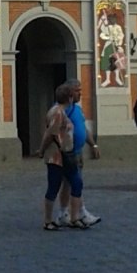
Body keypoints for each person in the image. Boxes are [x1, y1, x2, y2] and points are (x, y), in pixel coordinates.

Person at [39, 84, 92, 231]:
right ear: (69, 97)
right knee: (54, 187)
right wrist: (42, 150)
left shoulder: (61, 111)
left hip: (66, 155)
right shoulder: (57, 113)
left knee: (76, 183)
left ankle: (74, 217)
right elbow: (51, 134)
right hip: (57, 156)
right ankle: (48, 220)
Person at [53, 81, 100, 227]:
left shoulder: (77, 109)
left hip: (78, 152)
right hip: (68, 153)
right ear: (69, 93)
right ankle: (80, 213)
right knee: (76, 183)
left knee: (69, 184)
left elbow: (84, 129)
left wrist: (93, 144)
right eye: (77, 90)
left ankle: (63, 213)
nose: (81, 93)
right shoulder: (60, 109)